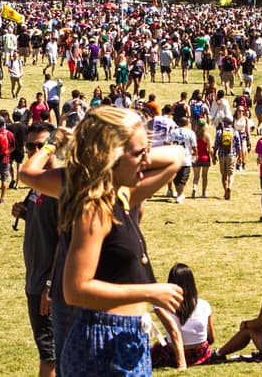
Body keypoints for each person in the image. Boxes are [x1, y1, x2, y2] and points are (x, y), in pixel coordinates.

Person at [58, 106, 185, 377]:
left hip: (127, 336)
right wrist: (149, 292)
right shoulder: (94, 209)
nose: (147, 160)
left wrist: (136, 153)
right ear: (110, 156)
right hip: (101, 342)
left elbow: (176, 158)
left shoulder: (121, 197)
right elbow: (76, 289)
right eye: (139, 153)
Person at [15, 121, 60, 377]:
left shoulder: (58, 186)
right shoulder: (39, 183)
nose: (33, 151)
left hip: (47, 284)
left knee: (49, 356)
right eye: (29, 146)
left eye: (39, 146)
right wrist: (25, 213)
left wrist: (50, 286)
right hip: (35, 279)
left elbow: (64, 239)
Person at [151, 263, 215, 368]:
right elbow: (211, 338)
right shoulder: (204, 305)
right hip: (201, 354)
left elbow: (173, 332)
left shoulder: (161, 306)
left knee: (157, 346)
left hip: (173, 355)